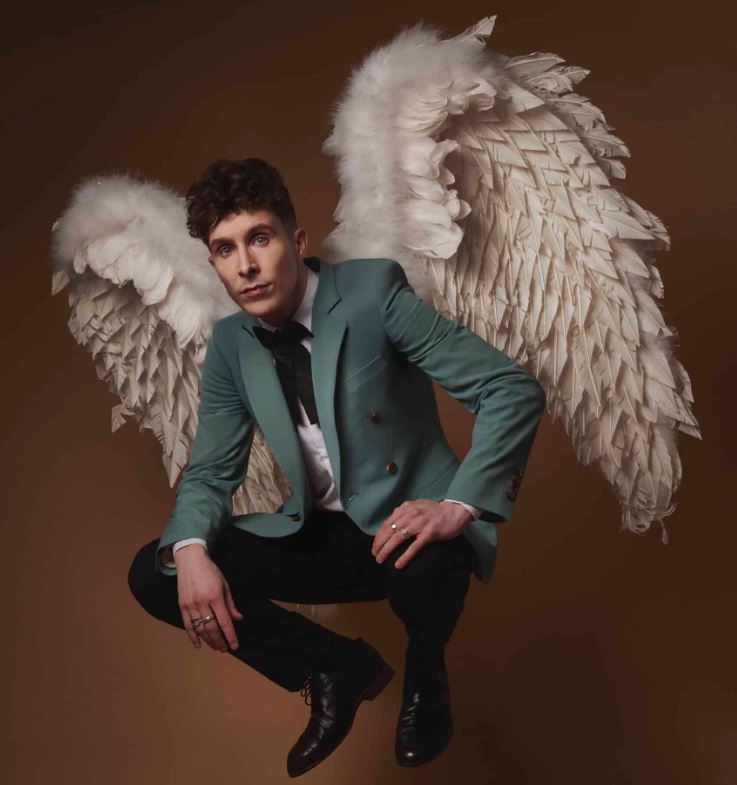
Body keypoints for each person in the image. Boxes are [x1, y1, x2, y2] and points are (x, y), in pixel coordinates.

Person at [127, 158, 546, 777]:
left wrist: (458, 503)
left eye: (259, 239)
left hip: (407, 526)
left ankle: (426, 683)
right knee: (155, 570)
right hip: (319, 536)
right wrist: (190, 550)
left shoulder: (373, 293)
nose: (245, 265)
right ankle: (332, 668)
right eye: (224, 249)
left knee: (427, 562)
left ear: (296, 242)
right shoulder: (232, 347)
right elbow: (211, 471)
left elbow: (509, 390)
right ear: (212, 263)